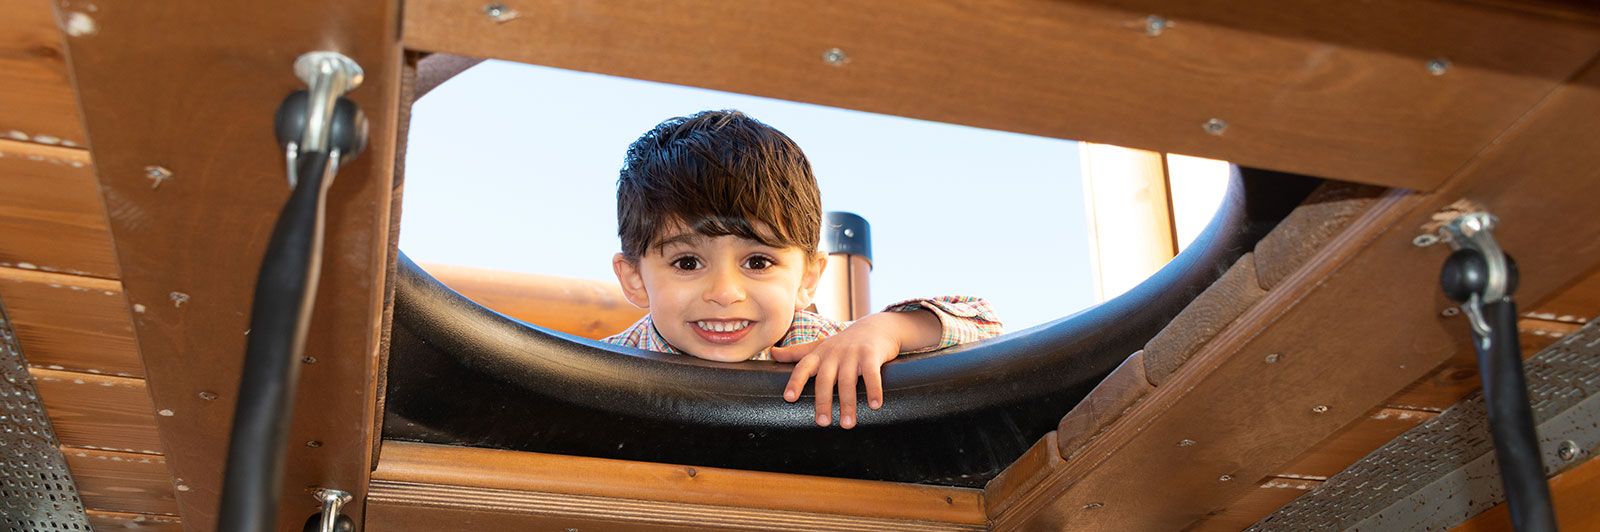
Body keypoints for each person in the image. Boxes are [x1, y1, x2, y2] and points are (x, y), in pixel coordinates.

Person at [603, 110, 1002, 429]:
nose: (725, 292)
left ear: (807, 279)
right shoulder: (606, 367)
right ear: (635, 279)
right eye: (687, 263)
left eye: (757, 262)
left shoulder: (824, 347)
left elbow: (986, 328)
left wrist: (888, 329)